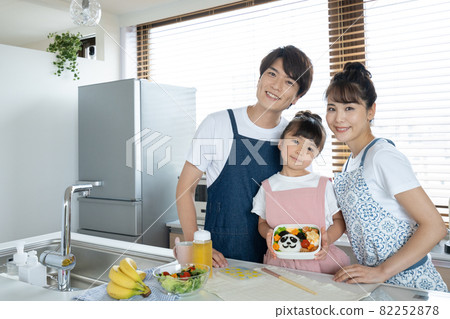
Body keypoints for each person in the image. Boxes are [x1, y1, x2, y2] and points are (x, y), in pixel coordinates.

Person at [176, 45, 313, 267]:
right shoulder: (217, 124)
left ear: (296, 97)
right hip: (222, 258)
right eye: (271, 73)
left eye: (289, 82)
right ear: (259, 78)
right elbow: (184, 189)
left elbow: (301, 199)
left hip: (279, 259)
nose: (276, 86)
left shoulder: (294, 137)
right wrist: (196, 245)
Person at [326, 62, 447, 291]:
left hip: (411, 287)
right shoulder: (350, 163)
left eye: (349, 108)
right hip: (378, 286)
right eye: (332, 108)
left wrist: (381, 271)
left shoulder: (382, 156)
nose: (338, 118)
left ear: (371, 111)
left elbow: (435, 227)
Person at [252, 111, 350, 274]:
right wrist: (268, 233)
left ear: (315, 155)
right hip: (280, 263)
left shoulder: (323, 185)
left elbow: (338, 220)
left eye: (310, 148)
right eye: (296, 141)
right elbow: (262, 223)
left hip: (320, 260)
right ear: (281, 143)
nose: (300, 151)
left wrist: (327, 241)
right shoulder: (268, 187)